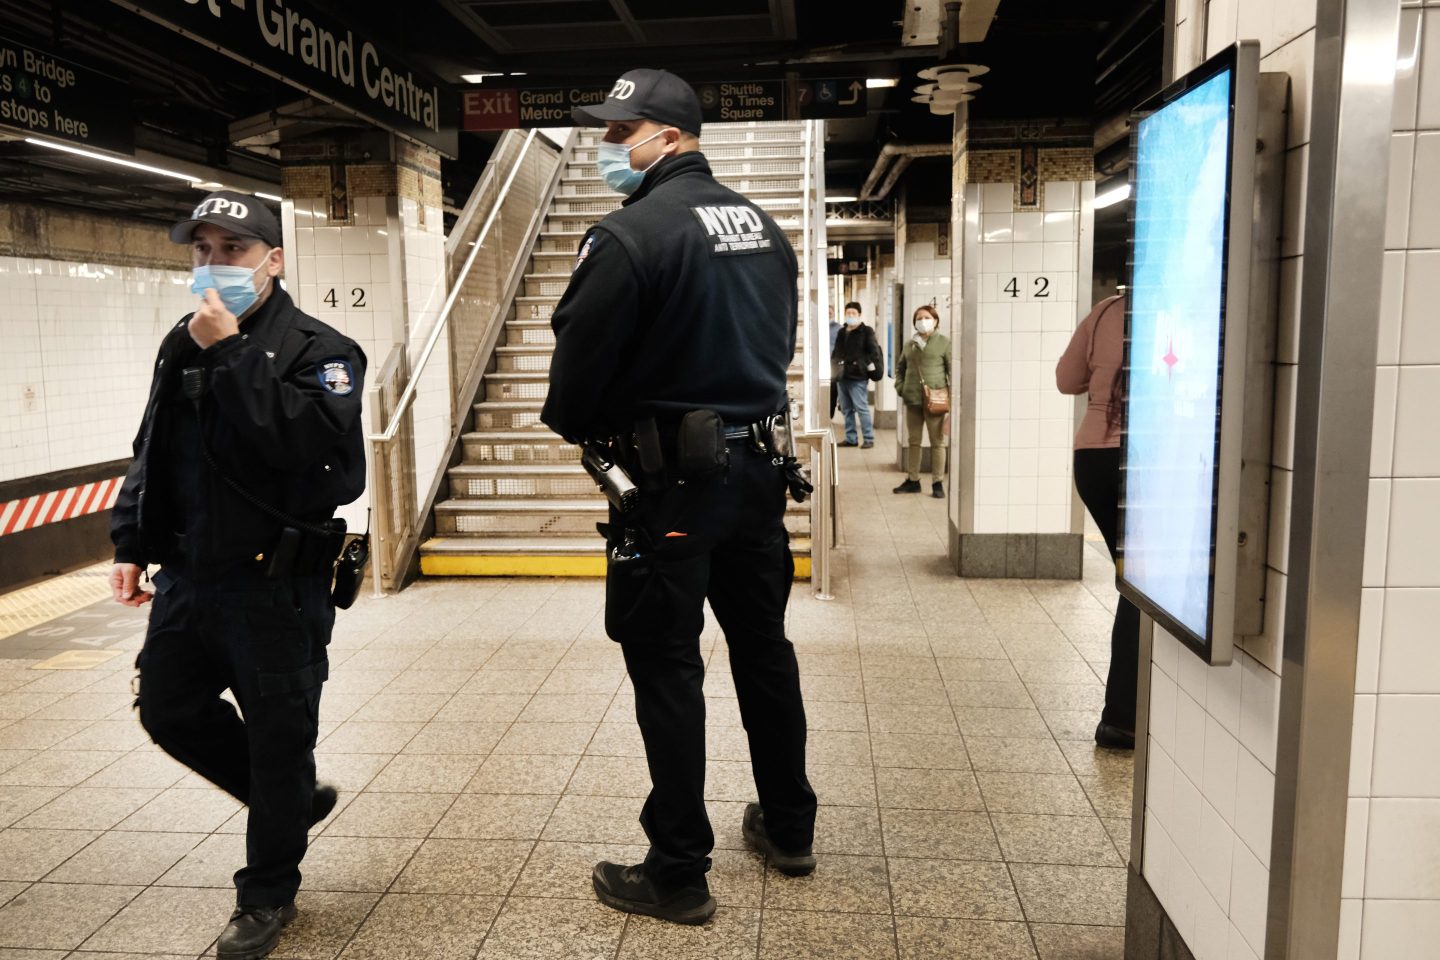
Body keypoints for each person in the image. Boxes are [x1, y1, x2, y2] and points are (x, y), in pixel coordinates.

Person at [542, 68, 818, 926]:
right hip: (758, 475)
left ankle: (677, 869)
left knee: (667, 665)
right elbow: (779, 344)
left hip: (670, 486)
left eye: (618, 134)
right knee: (762, 648)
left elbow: (571, 392)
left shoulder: (631, 236)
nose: (606, 149)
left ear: (665, 135)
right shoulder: (765, 229)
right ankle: (788, 826)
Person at [110, 191, 366, 958]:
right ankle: (286, 804)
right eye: (203, 251)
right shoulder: (178, 341)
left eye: (234, 251)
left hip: (276, 587)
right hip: (189, 580)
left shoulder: (324, 351)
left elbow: (319, 461)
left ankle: (266, 893)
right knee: (167, 708)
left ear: (274, 261)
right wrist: (130, 541)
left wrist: (231, 353)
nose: (215, 266)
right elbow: (152, 448)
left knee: (280, 741)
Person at [1056, 293, 1139, 749]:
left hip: (1093, 459)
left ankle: (1125, 713)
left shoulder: (1107, 309)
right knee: (1141, 585)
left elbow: (1068, 379)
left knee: (1134, 581)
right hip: (1144, 458)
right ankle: (1123, 717)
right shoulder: (1188, 307)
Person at [893, 304, 951, 498]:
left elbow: (952, 372)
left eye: (926, 317)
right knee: (914, 441)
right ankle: (913, 480)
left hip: (936, 401)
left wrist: (950, 398)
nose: (922, 321)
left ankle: (937, 482)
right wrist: (901, 387)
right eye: (919, 318)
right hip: (913, 399)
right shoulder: (910, 344)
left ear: (935, 321)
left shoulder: (944, 342)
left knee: (937, 442)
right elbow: (900, 368)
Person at [831, 301, 882, 448]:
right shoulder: (842, 331)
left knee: (862, 408)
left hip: (858, 377)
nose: (851, 316)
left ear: (859, 315)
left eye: (853, 313)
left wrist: (860, 363)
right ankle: (851, 438)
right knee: (846, 409)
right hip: (841, 375)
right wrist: (834, 365)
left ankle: (868, 438)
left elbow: (874, 353)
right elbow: (836, 352)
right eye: (848, 313)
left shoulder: (866, 331)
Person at [828, 303, 841, 419]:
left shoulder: (838, 328)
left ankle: (830, 414)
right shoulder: (817, 325)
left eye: (830, 311)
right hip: (820, 364)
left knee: (833, 390)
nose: (828, 313)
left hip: (833, 364)